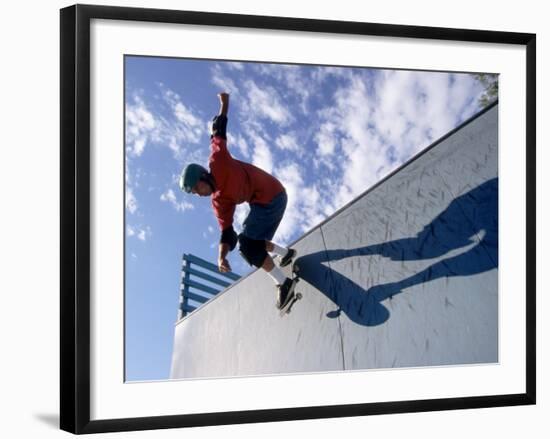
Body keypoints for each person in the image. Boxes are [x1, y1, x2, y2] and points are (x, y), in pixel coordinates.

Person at [179, 92, 297, 310]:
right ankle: (287, 254)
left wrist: (224, 103)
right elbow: (226, 232)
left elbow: (219, 131)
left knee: (249, 244)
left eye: (197, 188)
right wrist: (221, 257)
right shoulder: (219, 202)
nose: (198, 194)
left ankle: (285, 283)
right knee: (251, 238)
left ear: (203, 176)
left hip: (273, 195)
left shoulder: (218, 160)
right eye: (194, 193)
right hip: (264, 203)